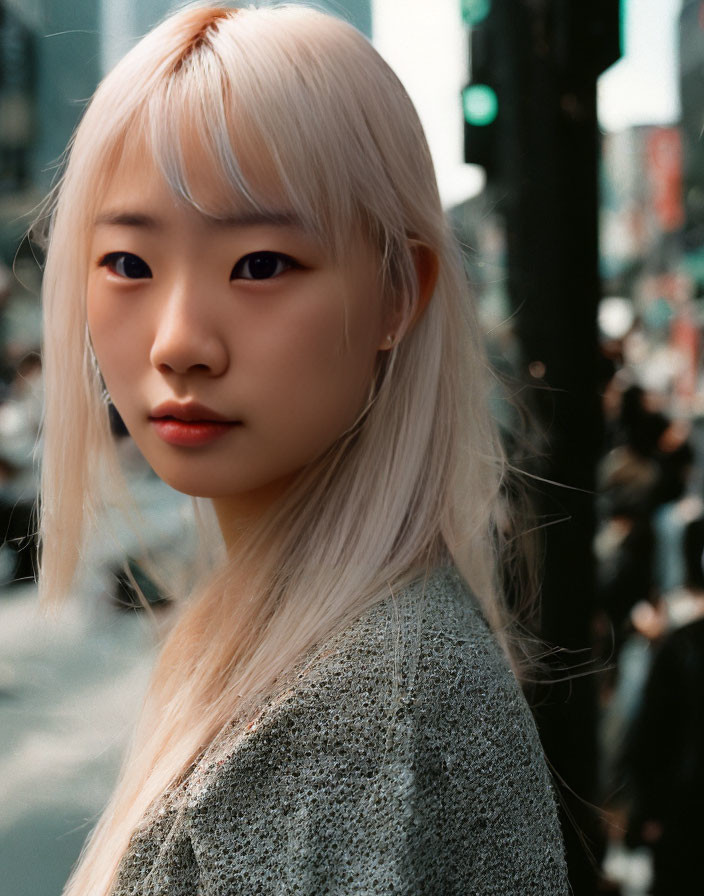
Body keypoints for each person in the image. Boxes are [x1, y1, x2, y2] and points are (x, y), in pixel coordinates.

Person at [36, 5, 568, 894]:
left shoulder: (351, 717)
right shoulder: (346, 653)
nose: (178, 343)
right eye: (128, 263)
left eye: (260, 265)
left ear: (400, 292)